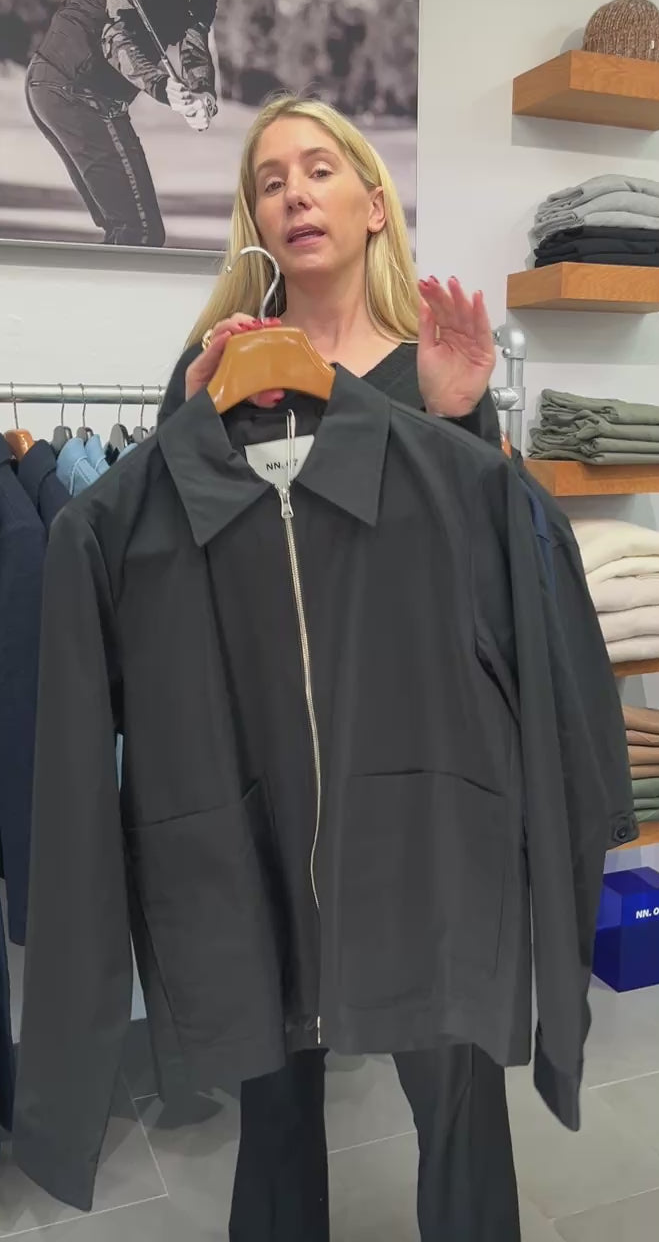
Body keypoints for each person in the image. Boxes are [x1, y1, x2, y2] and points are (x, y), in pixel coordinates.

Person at [159, 95, 520, 1242]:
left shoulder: (433, 370)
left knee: (454, 1076)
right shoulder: (217, 374)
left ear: (372, 203)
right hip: (269, 780)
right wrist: (184, 430)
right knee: (275, 1089)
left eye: (319, 169)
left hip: (413, 781)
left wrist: (459, 419)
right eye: (271, 180)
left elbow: (489, 580)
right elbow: (176, 579)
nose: (295, 193)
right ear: (256, 219)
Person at [26, 0, 244, 246]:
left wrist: (203, 95)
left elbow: (195, 45)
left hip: (77, 92)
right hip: (75, 88)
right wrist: (161, 86)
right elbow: (115, 38)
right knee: (140, 233)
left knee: (129, 231)